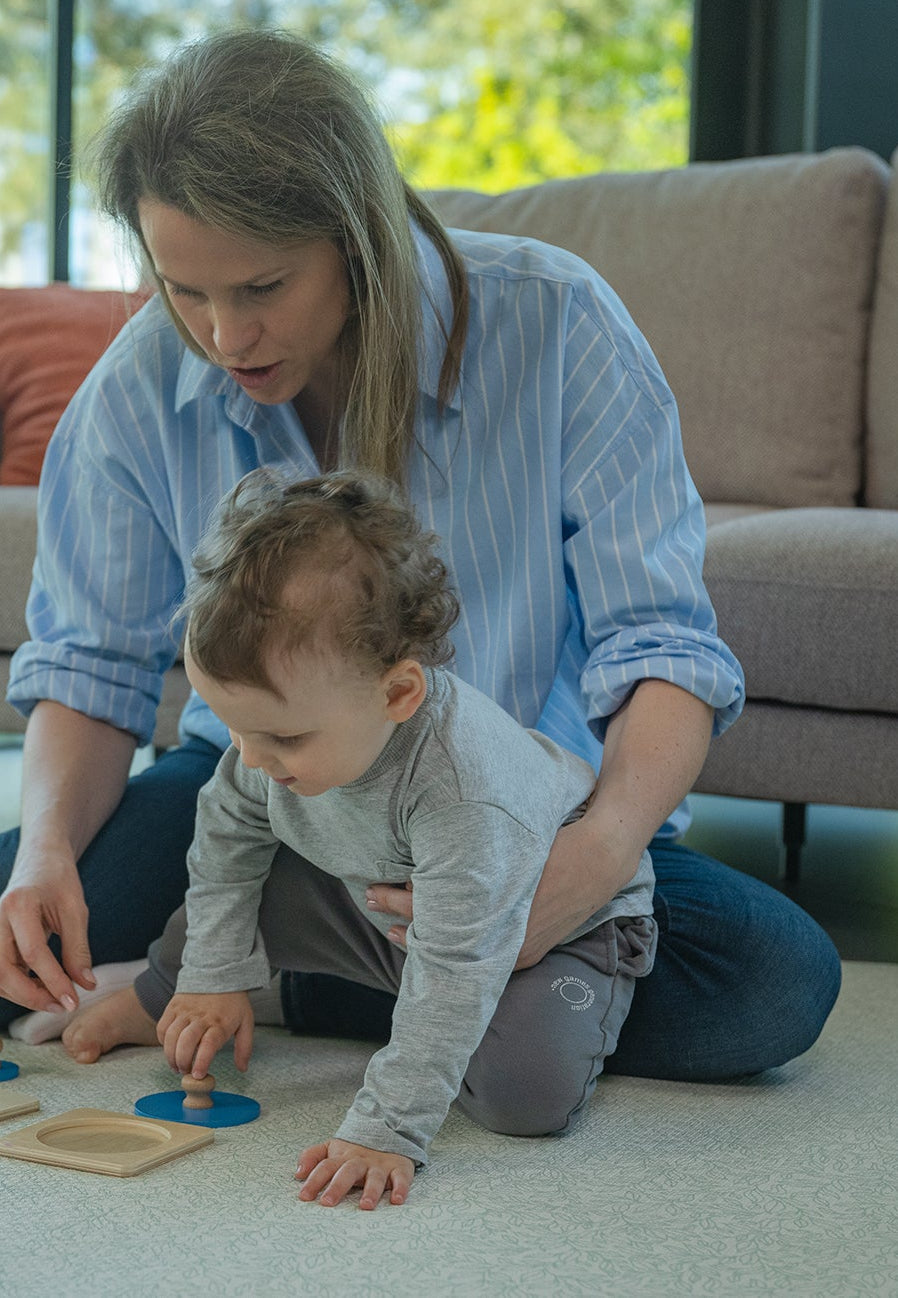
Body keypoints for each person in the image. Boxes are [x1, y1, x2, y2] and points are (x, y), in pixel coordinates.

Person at [0, 27, 839, 1091]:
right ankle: (363, 968)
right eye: (184, 291)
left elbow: (660, 645)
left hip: (507, 801)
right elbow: (87, 663)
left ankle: (282, 976)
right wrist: (44, 851)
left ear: (356, 235)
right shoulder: (140, 382)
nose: (222, 337)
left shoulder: (559, 323)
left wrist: (595, 857)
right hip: (258, 782)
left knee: (770, 987)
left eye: (260, 286)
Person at [150, 466, 657, 1209]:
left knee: (525, 1095)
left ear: (398, 694)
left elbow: (458, 960)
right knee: (203, 929)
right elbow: (226, 838)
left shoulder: (460, 789)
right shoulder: (273, 747)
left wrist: (386, 1128)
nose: (251, 760)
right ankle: (195, 992)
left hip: (547, 927)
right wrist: (211, 974)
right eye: (234, 727)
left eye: (282, 736)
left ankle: (341, 1010)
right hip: (391, 905)